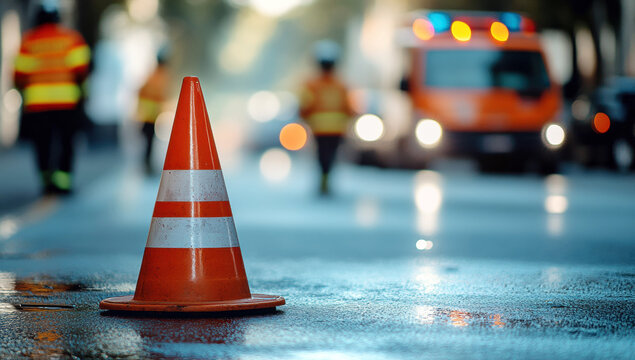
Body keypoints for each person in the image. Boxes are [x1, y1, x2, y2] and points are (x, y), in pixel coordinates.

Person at [14, 3, 90, 195]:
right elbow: (82, 69)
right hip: (67, 103)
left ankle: (46, 181)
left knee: (42, 143)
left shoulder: (28, 42)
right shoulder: (71, 39)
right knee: (66, 142)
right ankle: (63, 182)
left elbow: (19, 75)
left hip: (37, 104)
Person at [299, 40, 353, 195]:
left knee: (321, 155)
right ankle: (326, 179)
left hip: (319, 128)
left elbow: (304, 106)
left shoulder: (311, 84)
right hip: (337, 128)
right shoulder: (342, 85)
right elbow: (349, 108)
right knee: (331, 155)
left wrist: (304, 118)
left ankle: (324, 180)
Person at [135, 51, 170, 174]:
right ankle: (147, 165)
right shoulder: (158, 75)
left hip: (149, 114)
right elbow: (158, 94)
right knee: (149, 141)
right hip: (149, 115)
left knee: (149, 141)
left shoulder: (154, 74)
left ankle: (147, 164)